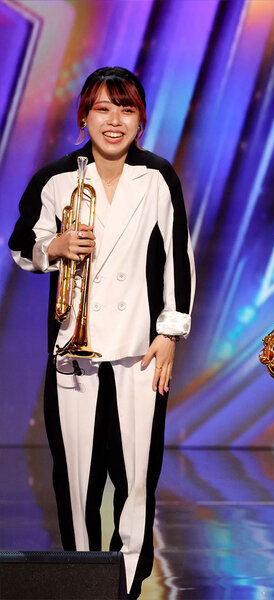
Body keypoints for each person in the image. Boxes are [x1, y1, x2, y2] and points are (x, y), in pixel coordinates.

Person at [8, 66, 195, 599]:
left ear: (141, 120)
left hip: (141, 352)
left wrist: (170, 332)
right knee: (77, 478)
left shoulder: (158, 177)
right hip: (75, 352)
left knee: (136, 476)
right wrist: (55, 247)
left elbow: (178, 258)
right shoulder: (55, 178)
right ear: (84, 116)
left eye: (126, 109)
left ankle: (129, 583)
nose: (114, 121)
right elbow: (22, 245)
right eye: (103, 109)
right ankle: (83, 579)